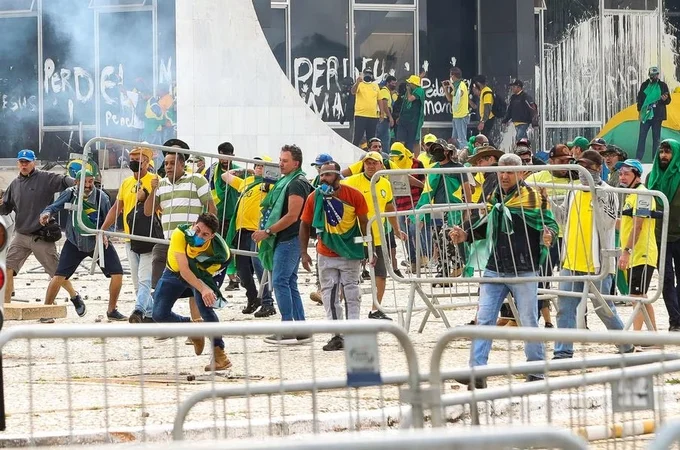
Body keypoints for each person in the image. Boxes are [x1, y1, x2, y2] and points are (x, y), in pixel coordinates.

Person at [449, 153, 559, 388]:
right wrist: (466, 235)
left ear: (521, 173)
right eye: (501, 171)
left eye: (510, 171)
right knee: (484, 319)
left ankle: (536, 370)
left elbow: (549, 224)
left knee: (529, 319)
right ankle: (477, 372)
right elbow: (488, 226)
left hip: (524, 269)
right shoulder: (494, 196)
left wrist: (548, 236)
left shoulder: (533, 197)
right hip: (494, 268)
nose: (505, 176)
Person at [554, 150, 634, 358]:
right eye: (580, 165)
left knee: (604, 309)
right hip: (571, 260)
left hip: (598, 262)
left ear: (599, 168)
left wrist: (596, 195)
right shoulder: (573, 190)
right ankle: (563, 352)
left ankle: (625, 344)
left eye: (588, 166)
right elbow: (563, 219)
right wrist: (549, 203)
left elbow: (609, 223)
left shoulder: (608, 191)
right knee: (565, 308)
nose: (583, 170)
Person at [300, 161, 370, 351]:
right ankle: (336, 335)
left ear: (338, 176)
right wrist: (304, 252)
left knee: (352, 294)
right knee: (329, 295)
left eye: (328, 175)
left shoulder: (353, 195)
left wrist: (367, 248)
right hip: (325, 252)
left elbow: (364, 223)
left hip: (350, 252)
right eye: (322, 175)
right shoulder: (314, 197)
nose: (324, 179)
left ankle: (353, 334)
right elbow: (305, 224)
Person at [144, 144, 217, 324]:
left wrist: (207, 236)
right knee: (159, 283)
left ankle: (198, 325)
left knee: (195, 287)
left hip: (193, 243)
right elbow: (147, 211)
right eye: (166, 163)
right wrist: (153, 190)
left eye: (171, 163)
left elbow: (211, 208)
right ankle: (177, 324)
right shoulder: (160, 184)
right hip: (168, 242)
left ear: (182, 164)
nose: (167, 166)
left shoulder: (197, 180)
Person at [40, 170, 125, 320]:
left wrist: (106, 234)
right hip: (75, 242)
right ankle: (46, 311)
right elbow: (53, 207)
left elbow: (111, 219)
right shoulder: (70, 193)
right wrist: (46, 214)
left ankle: (112, 311)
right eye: (84, 182)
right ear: (77, 182)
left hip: (97, 241)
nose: (87, 185)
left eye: (90, 181)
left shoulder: (101, 197)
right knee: (58, 276)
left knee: (117, 274)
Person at [152, 213, 232, 371]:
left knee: (206, 309)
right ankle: (193, 328)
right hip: (174, 272)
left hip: (203, 274)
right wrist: (202, 288)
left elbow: (205, 274)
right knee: (158, 314)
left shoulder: (220, 252)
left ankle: (220, 356)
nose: (199, 236)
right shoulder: (180, 234)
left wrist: (205, 289)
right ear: (193, 224)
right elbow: (184, 270)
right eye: (197, 230)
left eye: (205, 234)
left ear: (212, 236)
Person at [0, 150, 80, 305]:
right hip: (21, 235)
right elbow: (6, 208)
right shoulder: (14, 185)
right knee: (8, 268)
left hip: (41, 235)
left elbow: (64, 181)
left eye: (27, 162)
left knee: (57, 273)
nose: (24, 165)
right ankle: (7, 306)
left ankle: (74, 295)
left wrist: (77, 183)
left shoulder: (46, 178)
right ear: (18, 163)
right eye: (21, 162)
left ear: (33, 163)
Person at [255, 145, 313, 342]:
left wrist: (268, 231)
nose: (280, 163)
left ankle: (288, 328)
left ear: (296, 163)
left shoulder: (296, 183)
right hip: (292, 238)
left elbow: (292, 215)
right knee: (289, 282)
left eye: (285, 160)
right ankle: (301, 327)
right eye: (280, 159)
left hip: (289, 238)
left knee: (280, 281)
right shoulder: (293, 181)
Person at [342, 151, 407, 320]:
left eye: (374, 163)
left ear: (381, 165)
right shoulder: (352, 181)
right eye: (367, 163)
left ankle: (375, 308)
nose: (370, 166)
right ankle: (342, 307)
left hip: (379, 236)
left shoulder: (385, 183)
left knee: (381, 274)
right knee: (349, 274)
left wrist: (397, 230)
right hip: (356, 235)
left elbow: (389, 209)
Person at [101, 145, 157, 321]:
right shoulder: (126, 183)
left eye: (137, 159)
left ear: (147, 162)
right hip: (129, 238)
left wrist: (148, 195)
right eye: (131, 159)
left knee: (145, 278)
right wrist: (103, 229)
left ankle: (139, 310)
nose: (133, 162)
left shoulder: (156, 180)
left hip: (149, 237)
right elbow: (117, 208)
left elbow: (160, 208)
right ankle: (150, 314)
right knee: (136, 280)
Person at [224, 156, 277, 318]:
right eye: (256, 165)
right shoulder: (246, 182)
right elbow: (225, 176)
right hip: (241, 232)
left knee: (260, 266)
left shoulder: (270, 185)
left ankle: (268, 303)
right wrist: (245, 170)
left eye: (262, 165)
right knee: (242, 270)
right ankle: (253, 298)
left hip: (258, 232)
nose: (258, 167)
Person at [415, 142, 472, 281]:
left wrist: (467, 210)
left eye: (439, 150)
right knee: (438, 240)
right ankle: (443, 270)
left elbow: (467, 190)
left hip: (453, 208)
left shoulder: (458, 168)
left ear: (447, 151)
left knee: (447, 235)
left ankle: (458, 264)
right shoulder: (434, 169)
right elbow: (427, 191)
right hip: (437, 209)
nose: (436, 152)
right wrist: (421, 214)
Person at [617, 159, 658, 331]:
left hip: (642, 253)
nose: (622, 177)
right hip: (636, 253)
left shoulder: (643, 194)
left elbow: (638, 226)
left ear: (637, 175)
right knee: (641, 296)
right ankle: (655, 337)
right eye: (620, 174)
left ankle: (636, 338)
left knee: (636, 297)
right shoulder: (631, 195)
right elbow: (626, 224)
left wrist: (626, 251)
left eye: (627, 174)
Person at [646, 139, 680, 331]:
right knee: (666, 279)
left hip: (679, 234)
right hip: (659, 235)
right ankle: (674, 319)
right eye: (661, 152)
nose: (664, 156)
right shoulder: (652, 177)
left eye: (668, 152)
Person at [206, 142, 241, 290]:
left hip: (233, 215)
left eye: (228, 156)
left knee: (229, 247)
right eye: (222, 156)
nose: (225, 159)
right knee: (216, 247)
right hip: (216, 215)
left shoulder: (239, 171)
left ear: (232, 156)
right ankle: (217, 277)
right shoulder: (212, 171)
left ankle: (233, 277)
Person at [389, 142, 427, 272]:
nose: (396, 159)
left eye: (398, 156)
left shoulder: (416, 163)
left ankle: (422, 256)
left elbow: (424, 181)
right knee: (404, 234)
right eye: (393, 156)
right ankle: (413, 260)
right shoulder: (391, 166)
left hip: (416, 202)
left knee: (413, 229)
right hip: (400, 205)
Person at [636, 66, 671, 161]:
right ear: (649, 75)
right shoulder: (644, 85)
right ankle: (638, 158)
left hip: (657, 116)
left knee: (656, 138)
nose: (654, 77)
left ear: (658, 75)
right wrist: (640, 111)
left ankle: (655, 159)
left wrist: (664, 99)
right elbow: (640, 99)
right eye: (652, 75)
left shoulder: (663, 85)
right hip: (645, 115)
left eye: (655, 75)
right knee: (642, 137)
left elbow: (668, 100)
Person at [396, 75, 425, 152]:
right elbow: (404, 104)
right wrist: (400, 116)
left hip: (414, 120)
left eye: (410, 83)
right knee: (401, 139)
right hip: (404, 119)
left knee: (415, 141)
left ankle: (416, 158)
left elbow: (410, 99)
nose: (408, 85)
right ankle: (400, 155)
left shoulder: (419, 90)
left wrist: (408, 91)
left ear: (414, 84)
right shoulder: (407, 92)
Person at [351, 68, 380, 147]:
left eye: (370, 74)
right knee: (358, 136)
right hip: (360, 114)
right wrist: (357, 83)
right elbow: (353, 92)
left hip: (373, 115)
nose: (368, 75)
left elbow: (379, 99)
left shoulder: (375, 85)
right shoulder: (360, 84)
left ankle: (371, 155)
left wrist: (382, 113)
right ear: (363, 74)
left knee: (371, 138)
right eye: (366, 73)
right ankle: (353, 152)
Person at [444, 67, 470, 147]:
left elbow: (460, 94)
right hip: (456, 116)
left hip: (461, 116)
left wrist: (451, 85)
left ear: (453, 76)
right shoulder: (455, 86)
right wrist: (445, 88)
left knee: (461, 140)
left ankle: (464, 156)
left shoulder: (461, 85)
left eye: (450, 75)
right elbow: (449, 98)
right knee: (453, 140)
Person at [474, 76, 496, 146]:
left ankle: (494, 149)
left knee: (485, 137)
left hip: (488, 118)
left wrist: (483, 121)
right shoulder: (483, 91)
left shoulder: (487, 91)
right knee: (484, 136)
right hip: (485, 118)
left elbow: (487, 108)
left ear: (479, 83)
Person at [377, 75, 398, 148]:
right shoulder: (384, 91)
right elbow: (384, 104)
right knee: (385, 140)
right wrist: (390, 116)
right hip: (384, 119)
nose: (394, 85)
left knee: (383, 139)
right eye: (392, 83)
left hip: (385, 119)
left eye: (395, 84)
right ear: (387, 83)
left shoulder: (387, 92)